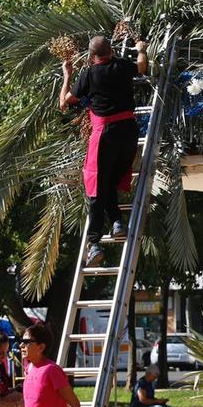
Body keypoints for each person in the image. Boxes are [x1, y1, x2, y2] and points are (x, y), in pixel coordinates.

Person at [59, 35, 148, 267]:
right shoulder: (121, 66)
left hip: (105, 135)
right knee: (108, 182)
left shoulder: (88, 74)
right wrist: (141, 49)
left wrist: (67, 74)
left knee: (96, 188)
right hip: (128, 134)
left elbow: (65, 102)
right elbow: (141, 66)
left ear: (91, 56)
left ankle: (95, 243)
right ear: (111, 51)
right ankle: (117, 221)